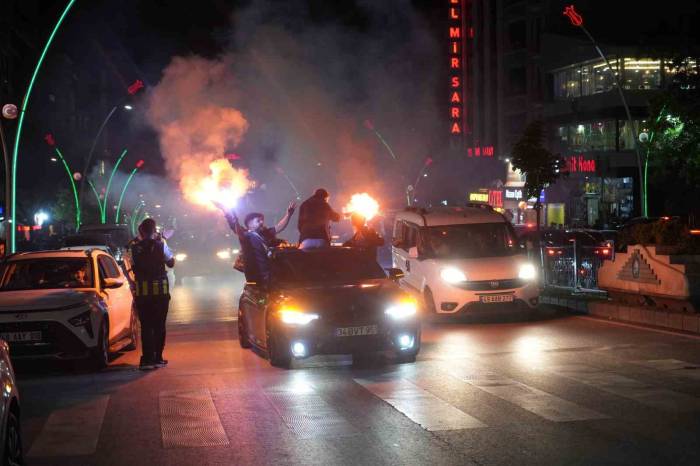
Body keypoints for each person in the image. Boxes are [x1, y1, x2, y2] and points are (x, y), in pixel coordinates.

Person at [131, 218, 175, 370]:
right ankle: (158, 357)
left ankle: (146, 359)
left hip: (142, 292)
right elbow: (171, 263)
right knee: (159, 325)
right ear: (154, 230)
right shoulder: (161, 245)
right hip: (160, 291)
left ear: (141, 232)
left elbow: (133, 266)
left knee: (146, 325)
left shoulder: (134, 248)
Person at [214, 201, 296, 248]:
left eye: (262, 220)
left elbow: (279, 227)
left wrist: (288, 215)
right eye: (258, 220)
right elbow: (234, 225)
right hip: (254, 269)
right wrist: (224, 209)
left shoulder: (266, 233)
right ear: (249, 223)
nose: (261, 222)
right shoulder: (246, 234)